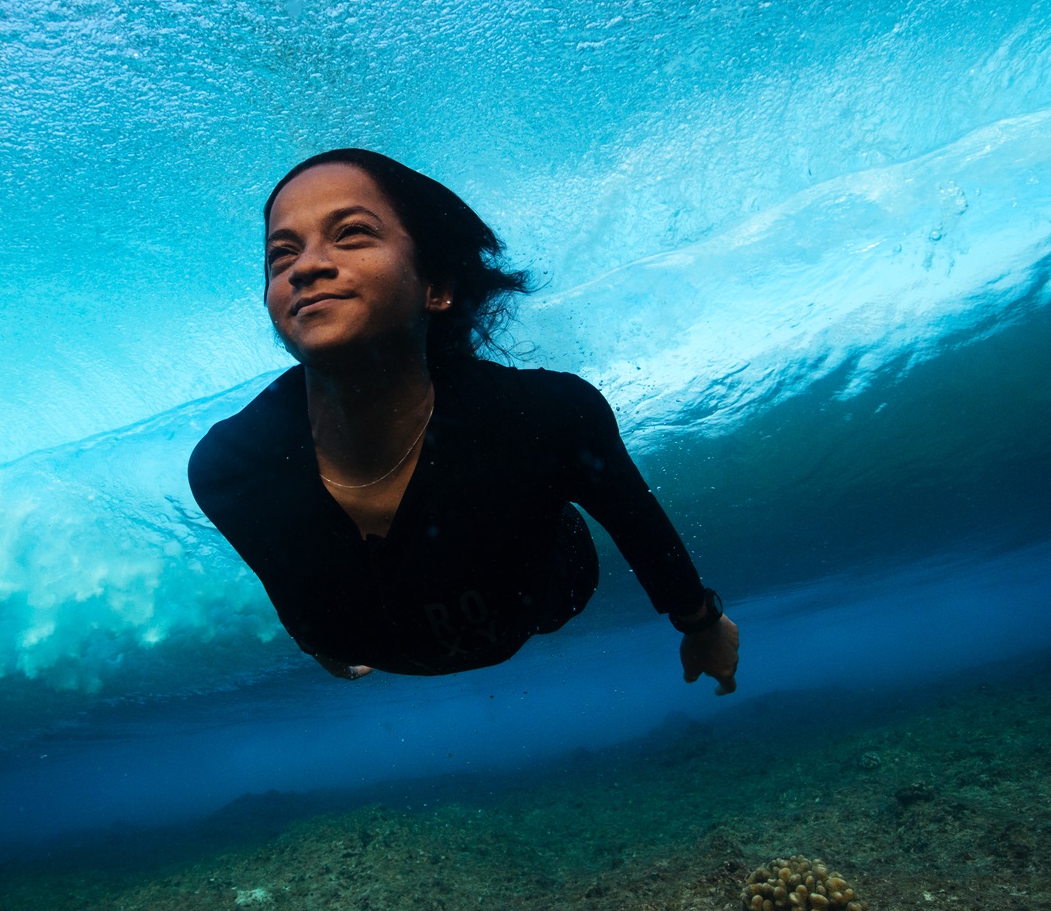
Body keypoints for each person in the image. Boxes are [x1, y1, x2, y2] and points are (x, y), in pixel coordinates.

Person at [187, 149, 739, 690]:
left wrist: (702, 624)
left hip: (549, 595)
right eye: (282, 255)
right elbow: (293, 593)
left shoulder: (550, 414)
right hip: (386, 642)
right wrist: (324, 645)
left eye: (352, 233)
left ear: (438, 287)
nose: (305, 267)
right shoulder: (230, 468)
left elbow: (639, 527)